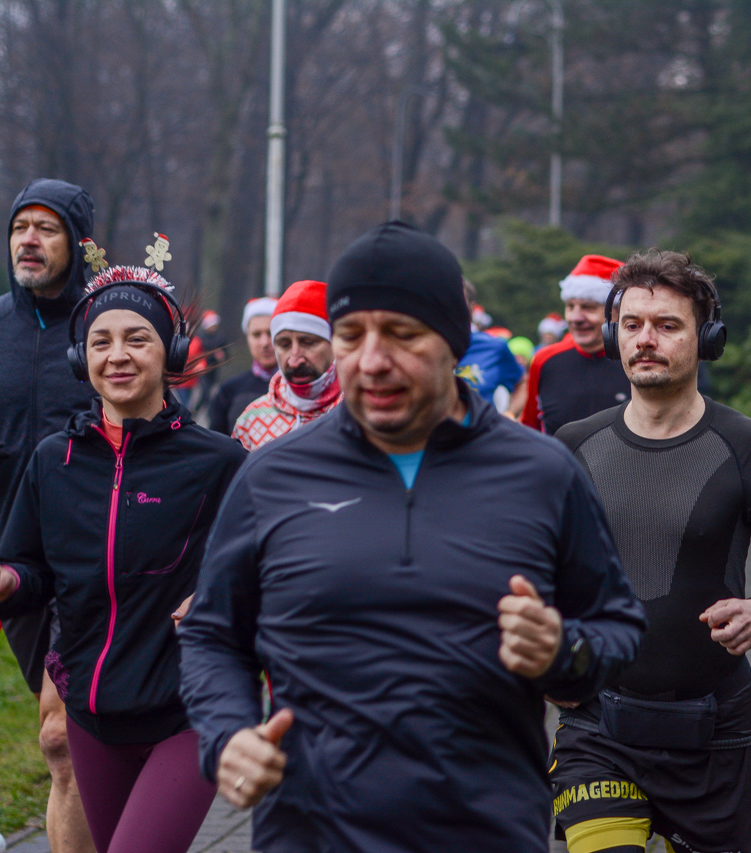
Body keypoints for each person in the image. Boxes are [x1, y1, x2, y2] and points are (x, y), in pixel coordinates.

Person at [178, 221, 646, 852]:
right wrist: (228, 734)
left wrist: (563, 653)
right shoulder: (273, 475)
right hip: (310, 834)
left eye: (401, 334)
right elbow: (212, 635)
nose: (371, 360)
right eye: (350, 336)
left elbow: (615, 628)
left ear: (454, 342)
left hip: (485, 832)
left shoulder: (542, 472)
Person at [549, 250, 751, 853]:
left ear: (707, 338)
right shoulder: (572, 446)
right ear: (611, 334)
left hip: (713, 735)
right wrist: (546, 658)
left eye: (667, 325)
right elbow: (534, 566)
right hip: (596, 726)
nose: (645, 340)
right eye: (631, 325)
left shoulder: (749, 445)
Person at [0, 263, 246, 853]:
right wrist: (8, 581)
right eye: (100, 341)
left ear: (173, 352)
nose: (117, 355)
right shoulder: (52, 461)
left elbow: (260, 570)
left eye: (137, 338)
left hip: (186, 711)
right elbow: (31, 570)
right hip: (92, 716)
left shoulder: (220, 463)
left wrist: (215, 595)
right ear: (79, 359)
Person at [0, 178, 97, 853]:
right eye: (19, 227)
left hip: (92, 555)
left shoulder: (108, 325)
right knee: (79, 746)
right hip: (14, 566)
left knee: (63, 739)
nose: (28, 240)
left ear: (79, 243)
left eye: (47, 228)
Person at [521, 255, 632, 435]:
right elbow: (529, 431)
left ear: (618, 311)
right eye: (570, 306)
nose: (575, 318)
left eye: (588, 307)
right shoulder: (545, 360)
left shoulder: (638, 358)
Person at [232, 280, 341, 451]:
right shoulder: (252, 420)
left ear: (335, 343)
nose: (294, 360)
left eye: (308, 342)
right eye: (284, 345)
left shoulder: (361, 414)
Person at [206, 297, 277, 435]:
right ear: (247, 337)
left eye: (271, 333)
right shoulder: (227, 392)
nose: (265, 342)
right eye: (256, 335)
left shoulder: (301, 390)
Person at [456, 278, 525, 410]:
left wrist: (510, 415)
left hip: (480, 429)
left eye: (458, 301)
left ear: (472, 309)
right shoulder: (424, 346)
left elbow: (522, 382)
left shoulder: (494, 347)